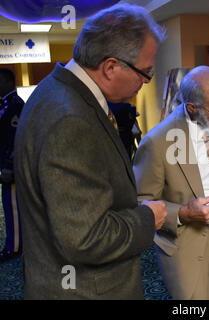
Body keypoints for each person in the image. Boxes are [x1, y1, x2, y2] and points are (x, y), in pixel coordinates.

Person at [13, 4, 167, 299]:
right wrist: (147, 218)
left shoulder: (56, 92)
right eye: (145, 72)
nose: (146, 81)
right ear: (110, 67)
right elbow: (86, 238)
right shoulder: (70, 119)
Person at [133, 66, 209, 300]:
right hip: (188, 245)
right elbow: (140, 203)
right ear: (192, 108)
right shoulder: (157, 142)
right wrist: (185, 213)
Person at [0, 68, 24, 262]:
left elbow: (15, 139)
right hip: (8, 165)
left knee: (13, 206)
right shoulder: (6, 104)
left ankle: (14, 247)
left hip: (13, 168)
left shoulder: (14, 105)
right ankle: (14, 243)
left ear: (7, 82)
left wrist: (9, 166)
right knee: (9, 204)